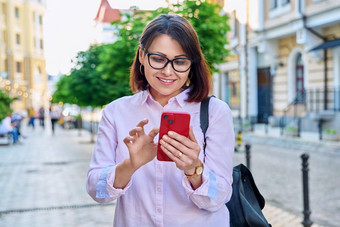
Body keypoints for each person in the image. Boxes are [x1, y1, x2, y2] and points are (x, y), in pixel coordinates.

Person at [86, 14, 235, 226]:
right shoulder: (116, 112)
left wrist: (194, 169)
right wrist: (130, 165)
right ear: (141, 55)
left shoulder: (215, 112)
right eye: (158, 58)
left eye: (180, 62)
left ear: (192, 64)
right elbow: (96, 191)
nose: (168, 71)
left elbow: (219, 198)